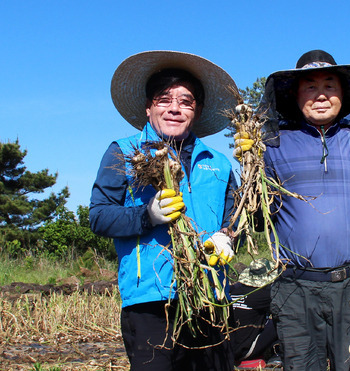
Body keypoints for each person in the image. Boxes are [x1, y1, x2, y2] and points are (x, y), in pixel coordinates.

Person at [234, 50, 350, 370]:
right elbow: (261, 219)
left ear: (343, 94)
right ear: (295, 94)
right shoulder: (273, 145)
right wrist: (249, 168)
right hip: (294, 287)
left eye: (330, 86)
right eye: (310, 87)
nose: (321, 95)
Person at [89, 50, 239, 370]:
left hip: (209, 296)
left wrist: (227, 237)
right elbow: (99, 215)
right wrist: (147, 216)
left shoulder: (219, 163)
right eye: (164, 99)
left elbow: (234, 217)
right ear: (148, 107)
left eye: (186, 101)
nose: (174, 108)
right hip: (151, 301)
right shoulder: (124, 153)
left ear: (196, 112)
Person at [229, 258, 280, 368]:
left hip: (228, 349)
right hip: (244, 351)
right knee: (281, 319)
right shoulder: (261, 295)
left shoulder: (233, 290)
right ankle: (278, 353)